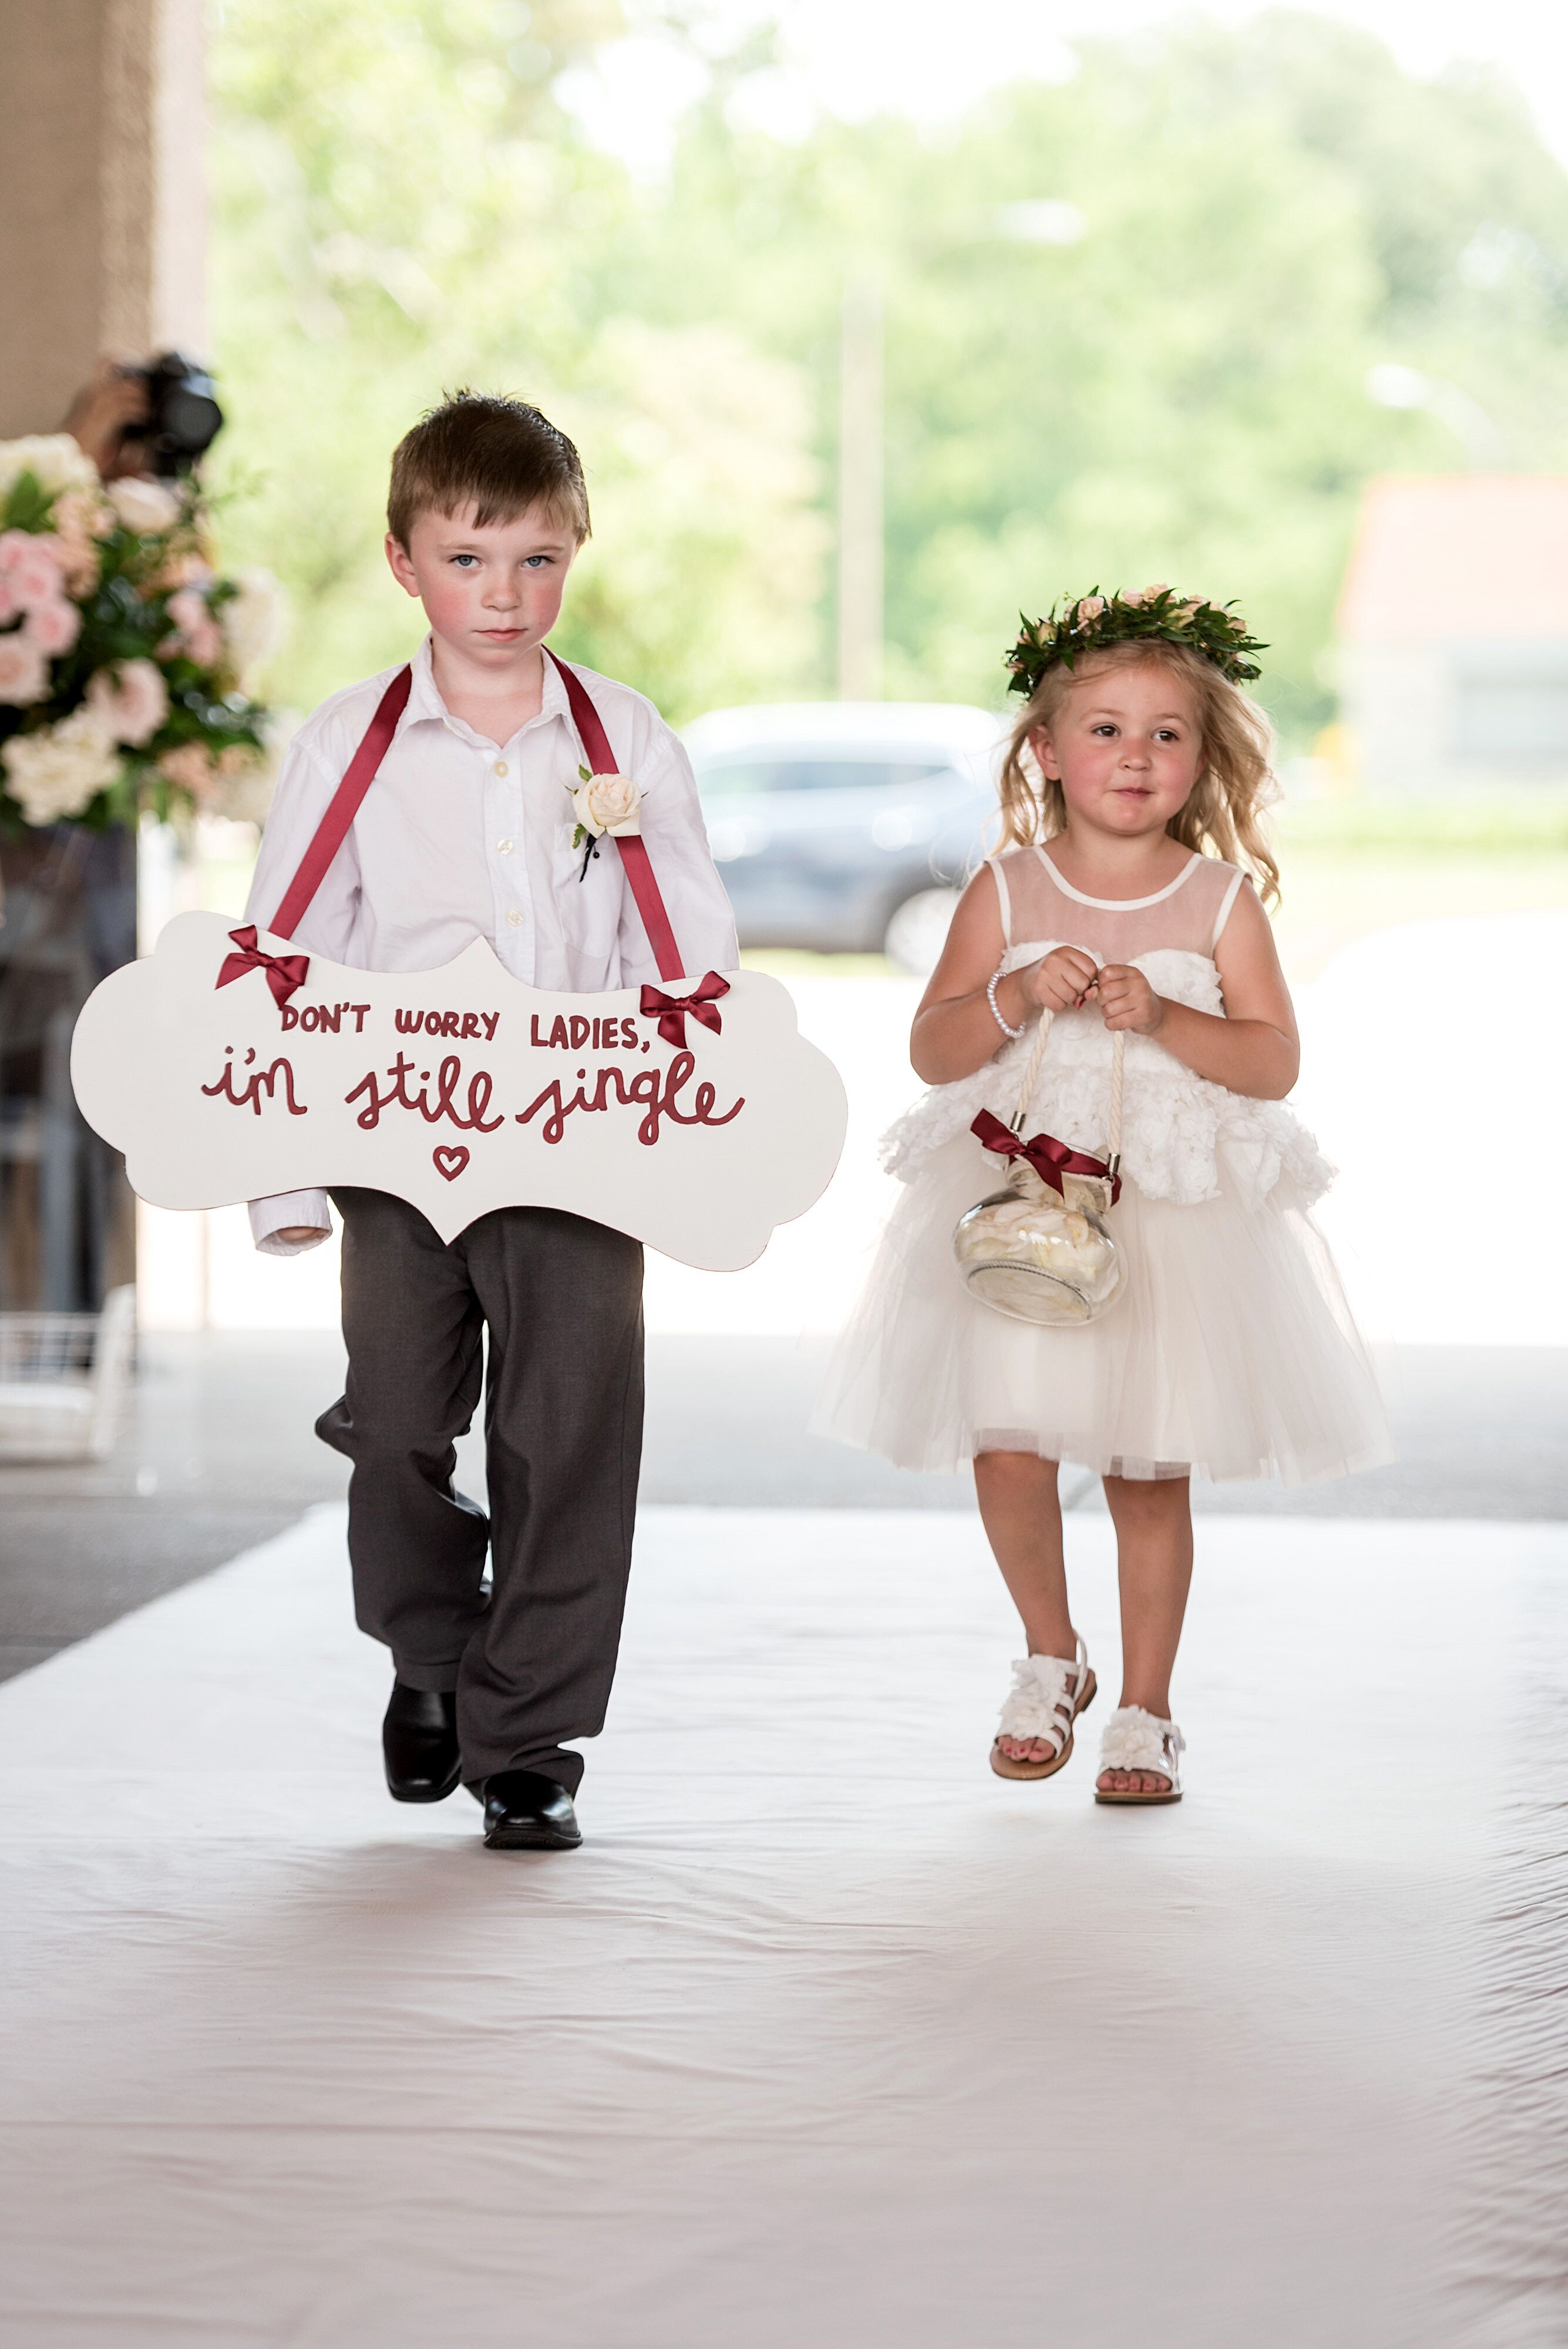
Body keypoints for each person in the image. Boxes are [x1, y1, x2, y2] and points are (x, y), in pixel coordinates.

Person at [244, 391, 737, 1850]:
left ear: (572, 555)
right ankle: (431, 1651)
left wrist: (692, 1132)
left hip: (581, 1142)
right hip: (400, 1141)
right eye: (469, 559)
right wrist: (280, 1179)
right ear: (405, 563)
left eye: (535, 559)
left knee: (569, 1432)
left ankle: (529, 1738)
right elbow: (278, 956)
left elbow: (688, 950)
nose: (503, 594)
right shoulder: (351, 743)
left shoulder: (626, 737)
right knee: (395, 1419)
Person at [813, 588, 1390, 1803]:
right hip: (1022, 1200)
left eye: (1167, 733)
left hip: (1166, 1219)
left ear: (1203, 757)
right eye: (1107, 729)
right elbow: (935, 1048)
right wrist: (1018, 998)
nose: (1136, 757)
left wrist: (1174, 1017)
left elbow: (1275, 1061)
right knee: (1009, 1442)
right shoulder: (1008, 891)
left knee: (1147, 1458)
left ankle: (1147, 1703)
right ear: (1047, 751)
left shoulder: (1220, 901)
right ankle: (1050, 1651)